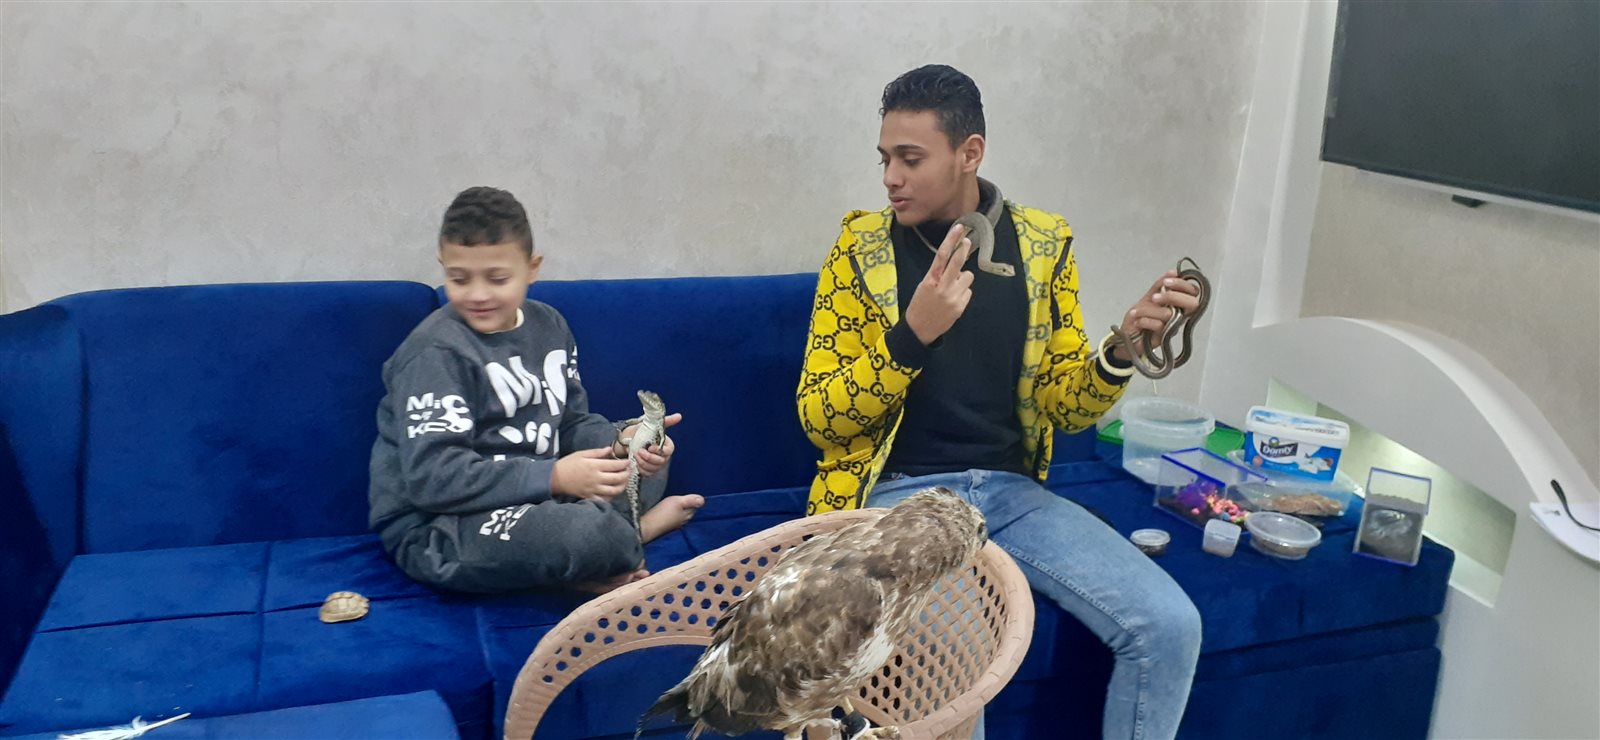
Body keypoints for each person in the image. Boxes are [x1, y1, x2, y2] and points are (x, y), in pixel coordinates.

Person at [795, 65, 1203, 739]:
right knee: (959, 655)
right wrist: (911, 336)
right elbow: (820, 418)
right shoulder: (859, 248)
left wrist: (1122, 351)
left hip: (1012, 498)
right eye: (885, 159)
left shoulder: (1042, 244)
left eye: (910, 159)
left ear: (970, 153)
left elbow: (1067, 407)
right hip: (902, 500)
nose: (890, 178)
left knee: (1170, 624)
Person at [369, 186, 704, 594]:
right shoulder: (434, 353)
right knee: (586, 535)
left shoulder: (549, 326)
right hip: (442, 524)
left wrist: (621, 444)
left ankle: (598, 557)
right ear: (443, 267)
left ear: (532, 268)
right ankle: (634, 536)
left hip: (535, 498)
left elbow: (570, 424)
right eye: (459, 278)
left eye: (498, 278)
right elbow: (433, 480)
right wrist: (556, 477)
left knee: (647, 460)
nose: (478, 294)